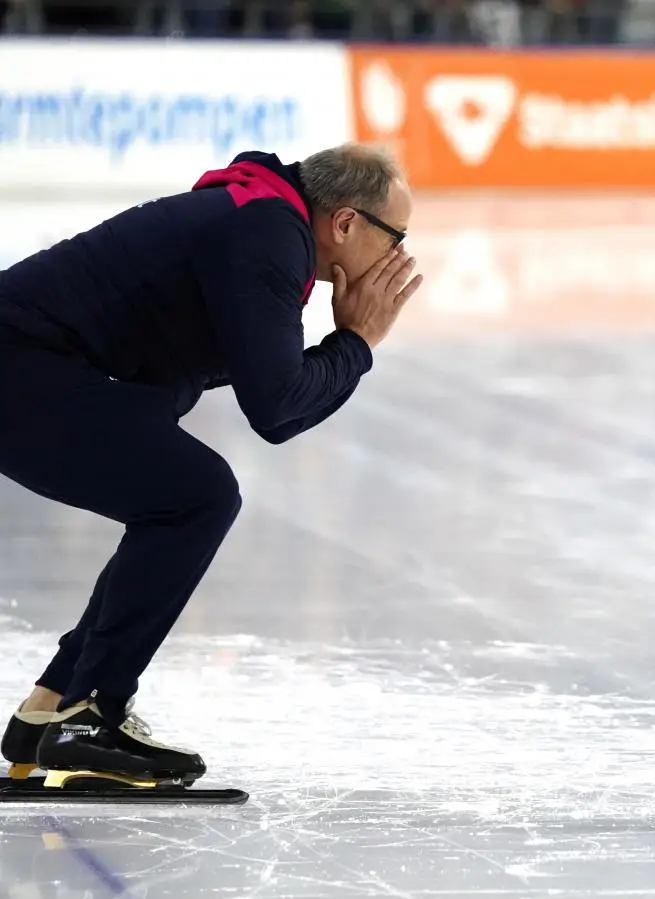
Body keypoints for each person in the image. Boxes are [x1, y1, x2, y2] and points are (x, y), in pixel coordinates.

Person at [0, 143, 423, 786]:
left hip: (31, 366)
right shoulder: (269, 233)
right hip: (21, 366)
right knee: (196, 496)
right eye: (397, 238)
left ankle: (54, 707)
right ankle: (91, 715)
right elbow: (277, 409)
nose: (398, 259)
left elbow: (231, 374)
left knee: (177, 498)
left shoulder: (260, 215)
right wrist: (357, 344)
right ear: (345, 223)